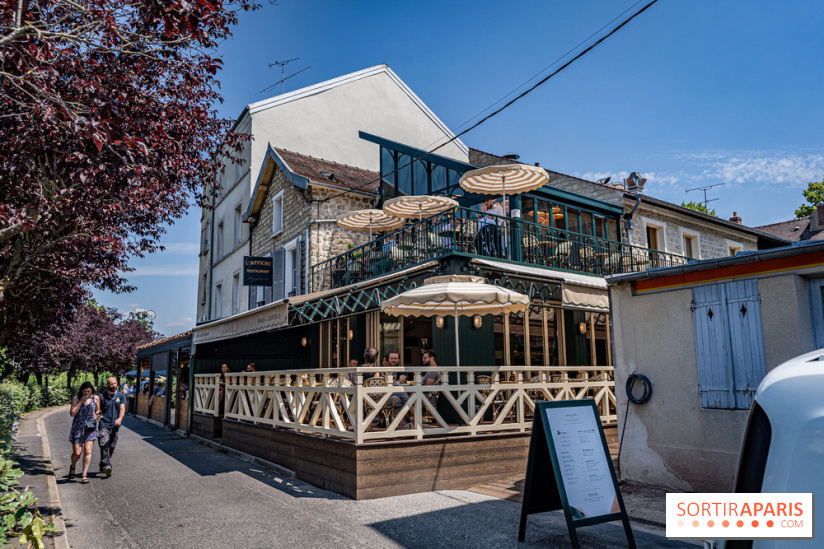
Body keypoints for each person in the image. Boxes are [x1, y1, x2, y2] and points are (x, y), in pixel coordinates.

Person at [68, 381, 100, 483]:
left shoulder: (96, 398)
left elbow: (98, 411)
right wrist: (81, 402)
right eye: (84, 391)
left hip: (90, 428)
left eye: (88, 391)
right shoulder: (76, 398)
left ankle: (84, 474)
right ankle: (73, 466)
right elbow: (72, 413)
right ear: (81, 391)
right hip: (78, 427)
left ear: (92, 390)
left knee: (87, 451)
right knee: (77, 453)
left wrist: (96, 417)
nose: (86, 393)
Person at [97, 377, 126, 477]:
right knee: (104, 444)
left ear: (117, 383)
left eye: (114, 384)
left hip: (115, 426)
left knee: (112, 446)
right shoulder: (102, 396)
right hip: (104, 425)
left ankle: (103, 463)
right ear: (107, 385)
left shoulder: (121, 395)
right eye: (111, 384)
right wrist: (98, 416)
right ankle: (107, 466)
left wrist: (120, 419)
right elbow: (97, 410)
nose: (113, 386)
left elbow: (122, 409)